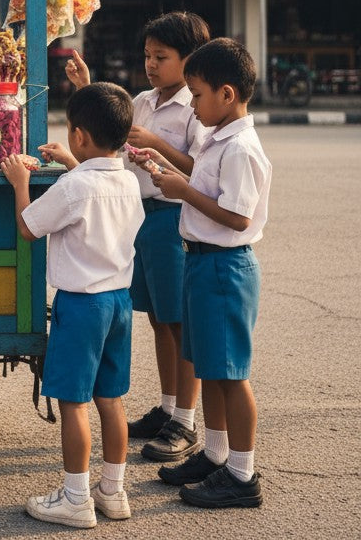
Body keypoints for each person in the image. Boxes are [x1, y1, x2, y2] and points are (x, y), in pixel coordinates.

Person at [67, 12, 211, 464]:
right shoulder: (144, 100)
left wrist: (160, 145)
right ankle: (168, 407)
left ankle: (185, 421)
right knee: (158, 320)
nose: (150, 64)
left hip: (174, 217)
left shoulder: (197, 106)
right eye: (147, 55)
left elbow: (203, 173)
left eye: (161, 57)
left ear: (188, 62)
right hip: (140, 217)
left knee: (180, 322)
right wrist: (86, 86)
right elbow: (113, 138)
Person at [2, 82, 144, 528]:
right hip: (119, 302)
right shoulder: (127, 181)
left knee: (72, 404)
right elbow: (92, 181)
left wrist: (20, 183)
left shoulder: (73, 186)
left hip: (82, 308)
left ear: (79, 135)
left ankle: (76, 498)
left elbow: (29, 227)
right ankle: (113, 491)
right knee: (111, 400)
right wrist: (71, 162)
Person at [138, 38, 269, 508]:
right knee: (212, 369)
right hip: (201, 260)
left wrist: (182, 189)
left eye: (197, 95)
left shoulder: (241, 149)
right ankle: (215, 455)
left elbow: (236, 217)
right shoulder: (218, 138)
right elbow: (207, 190)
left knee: (231, 374)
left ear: (227, 94)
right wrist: (167, 172)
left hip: (225, 266)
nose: (192, 104)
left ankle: (243, 474)